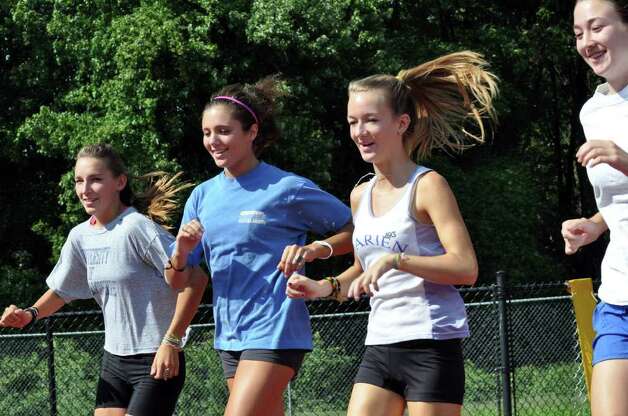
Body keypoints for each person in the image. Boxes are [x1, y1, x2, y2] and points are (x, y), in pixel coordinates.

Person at [286, 51, 498, 416]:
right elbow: (361, 269)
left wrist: (397, 260)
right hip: (380, 343)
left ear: (401, 124)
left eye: (371, 120)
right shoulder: (359, 194)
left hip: (430, 344)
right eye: (353, 121)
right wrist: (323, 288)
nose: (359, 132)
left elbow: (466, 268)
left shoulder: (428, 185)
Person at [164, 77, 353, 416]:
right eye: (207, 133)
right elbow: (178, 281)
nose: (213, 141)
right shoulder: (202, 196)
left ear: (251, 132)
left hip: (276, 330)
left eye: (223, 131)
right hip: (229, 337)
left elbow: (354, 232)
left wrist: (314, 249)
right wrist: (180, 251)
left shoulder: (286, 188)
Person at [0, 143, 208, 416]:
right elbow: (62, 291)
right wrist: (29, 315)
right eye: (79, 181)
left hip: (155, 357)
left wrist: (171, 341)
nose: (85, 189)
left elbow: (196, 280)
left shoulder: (136, 227)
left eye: (96, 180)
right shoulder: (79, 236)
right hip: (114, 360)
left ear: (120, 182)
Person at [563, 1, 628, 414]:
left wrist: (624, 159)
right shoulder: (593, 111)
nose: (587, 42)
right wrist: (596, 223)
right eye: (577, 33)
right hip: (620, 294)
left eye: (596, 27)